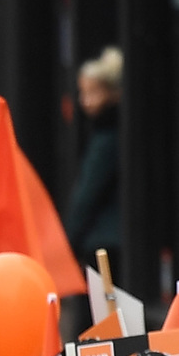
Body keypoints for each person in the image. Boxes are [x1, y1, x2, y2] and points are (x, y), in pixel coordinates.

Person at [70, 47, 124, 271]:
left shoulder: (106, 139)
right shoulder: (103, 134)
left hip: (102, 240)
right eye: (83, 93)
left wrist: (70, 237)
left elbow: (87, 193)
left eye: (93, 92)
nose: (86, 101)